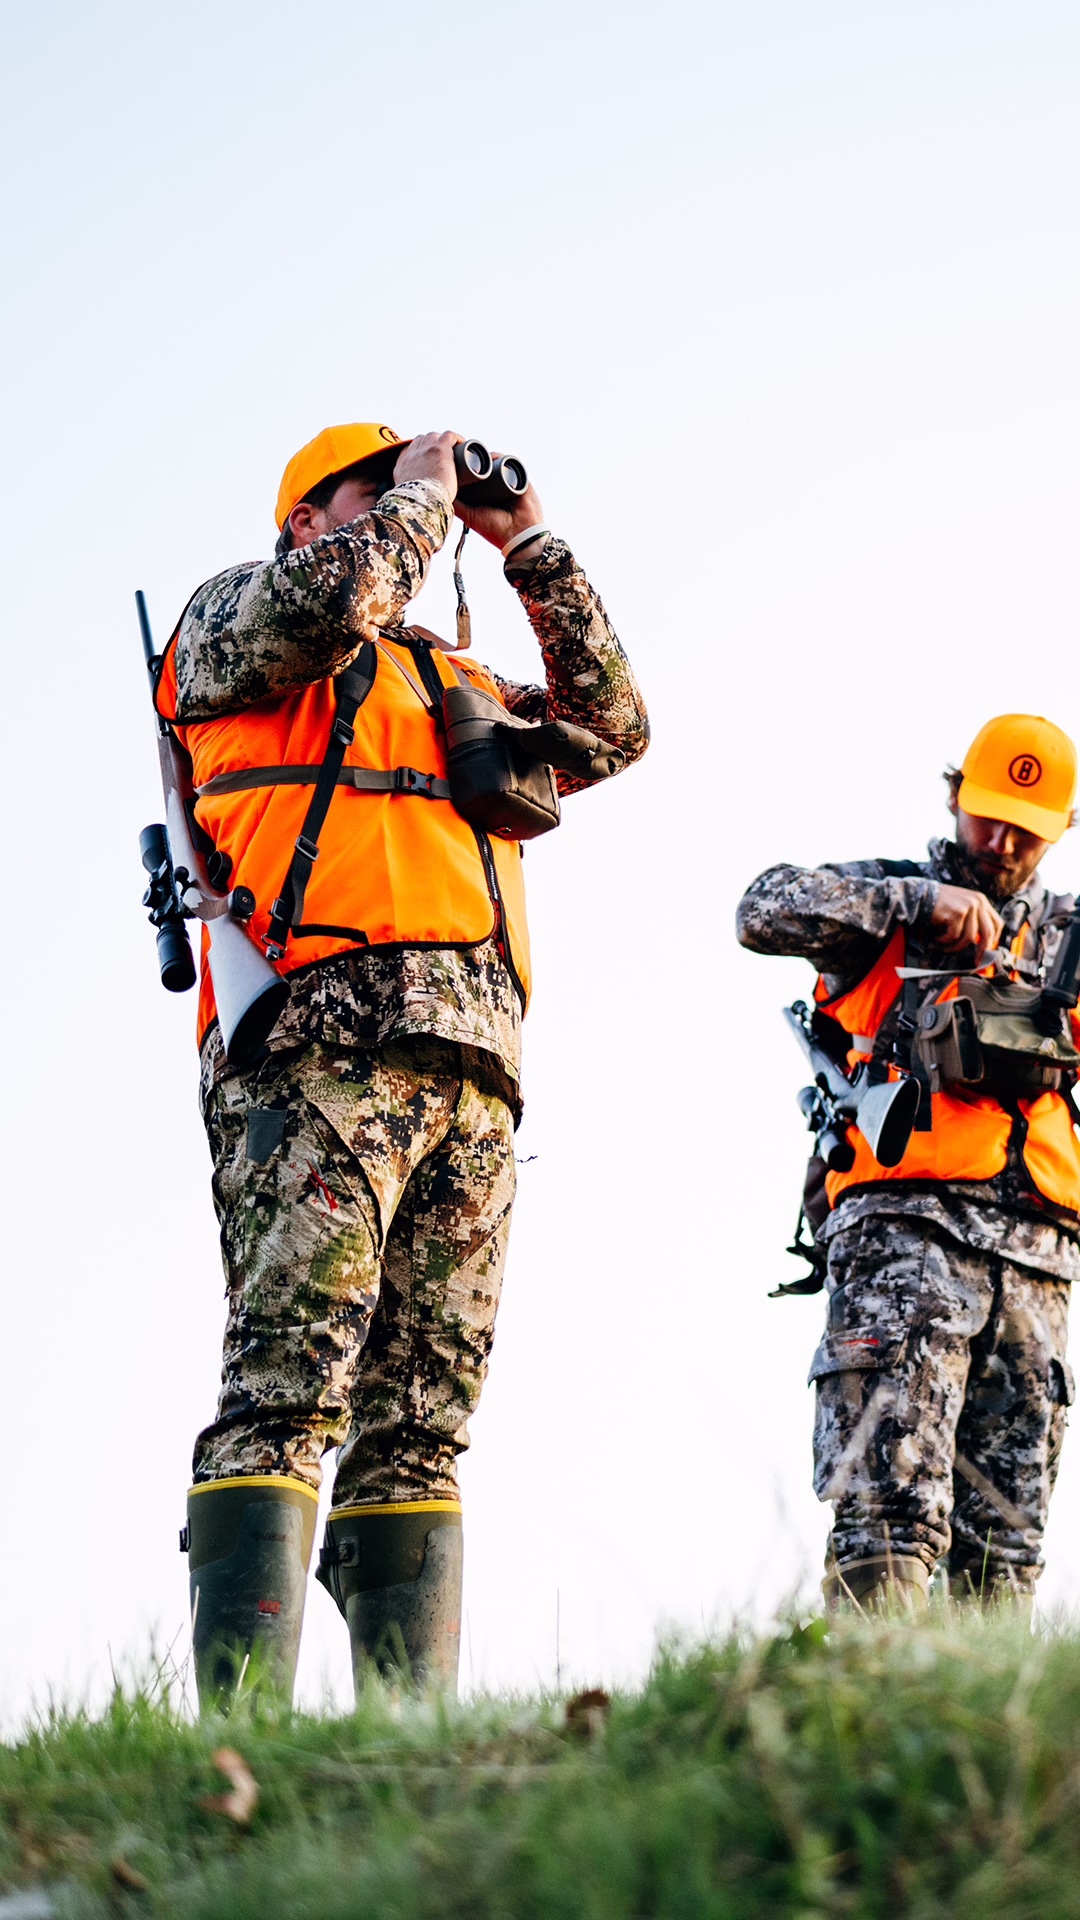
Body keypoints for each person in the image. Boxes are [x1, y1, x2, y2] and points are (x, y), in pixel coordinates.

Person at [153, 422, 649, 1703]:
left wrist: (526, 541)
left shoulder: (451, 683)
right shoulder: (234, 626)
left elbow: (615, 724)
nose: (415, 511)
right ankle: (240, 1737)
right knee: (287, 1378)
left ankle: (405, 1745)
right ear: (311, 518)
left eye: (413, 492)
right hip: (316, 1057)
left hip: (474, 1075)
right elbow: (330, 604)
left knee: (424, 1422)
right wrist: (423, 502)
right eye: (378, 495)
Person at [736, 714, 1080, 1610]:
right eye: (987, 814)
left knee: (1007, 1543)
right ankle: (862, 1719)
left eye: (1027, 827)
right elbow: (760, 907)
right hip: (903, 1236)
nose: (1001, 841)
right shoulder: (886, 897)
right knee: (886, 1516)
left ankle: (974, 1732)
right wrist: (914, 903)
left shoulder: (1072, 939)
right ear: (955, 796)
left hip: (1042, 1264)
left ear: (1061, 829)